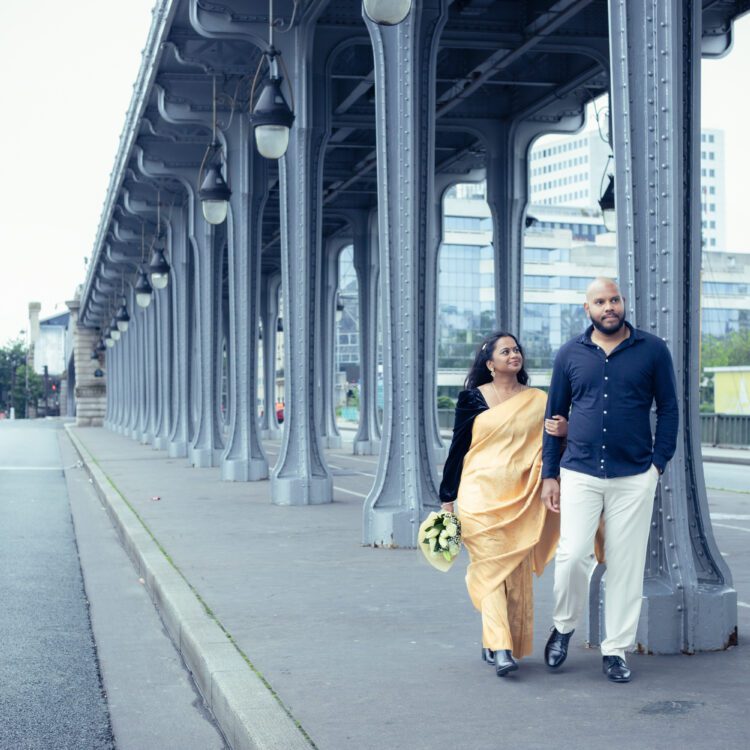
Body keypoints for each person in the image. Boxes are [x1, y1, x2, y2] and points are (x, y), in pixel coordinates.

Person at [541, 278, 679, 683]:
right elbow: (553, 419)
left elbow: (669, 408)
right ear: (588, 309)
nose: (609, 307)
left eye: (614, 299)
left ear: (623, 303)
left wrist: (658, 465)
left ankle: (616, 650)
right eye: (600, 301)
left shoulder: (652, 350)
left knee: (625, 565)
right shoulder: (569, 354)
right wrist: (551, 473)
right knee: (571, 556)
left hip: (635, 475)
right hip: (580, 471)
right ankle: (564, 626)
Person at [439, 332, 566, 678]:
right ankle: (501, 647)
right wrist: (447, 500)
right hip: (478, 495)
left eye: (516, 349)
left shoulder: (539, 400)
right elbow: (458, 450)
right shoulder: (472, 399)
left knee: (515, 571)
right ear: (490, 364)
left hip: (522, 496)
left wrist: (563, 432)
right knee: (490, 570)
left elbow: (554, 443)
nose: (514, 354)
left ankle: (498, 639)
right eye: (505, 351)